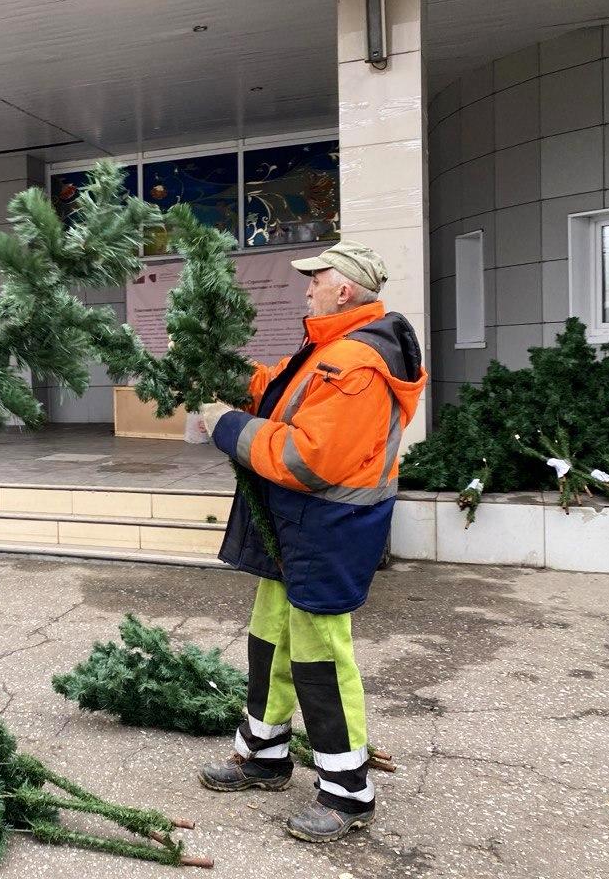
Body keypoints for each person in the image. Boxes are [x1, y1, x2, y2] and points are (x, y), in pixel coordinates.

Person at [196, 239, 426, 843]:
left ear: (343, 289)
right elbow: (276, 391)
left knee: (321, 657)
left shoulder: (356, 363)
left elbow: (306, 458)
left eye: (315, 279)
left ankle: (348, 792)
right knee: (269, 639)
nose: (307, 287)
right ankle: (264, 754)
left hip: (327, 527)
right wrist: (219, 369)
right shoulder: (328, 348)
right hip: (296, 525)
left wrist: (227, 425)